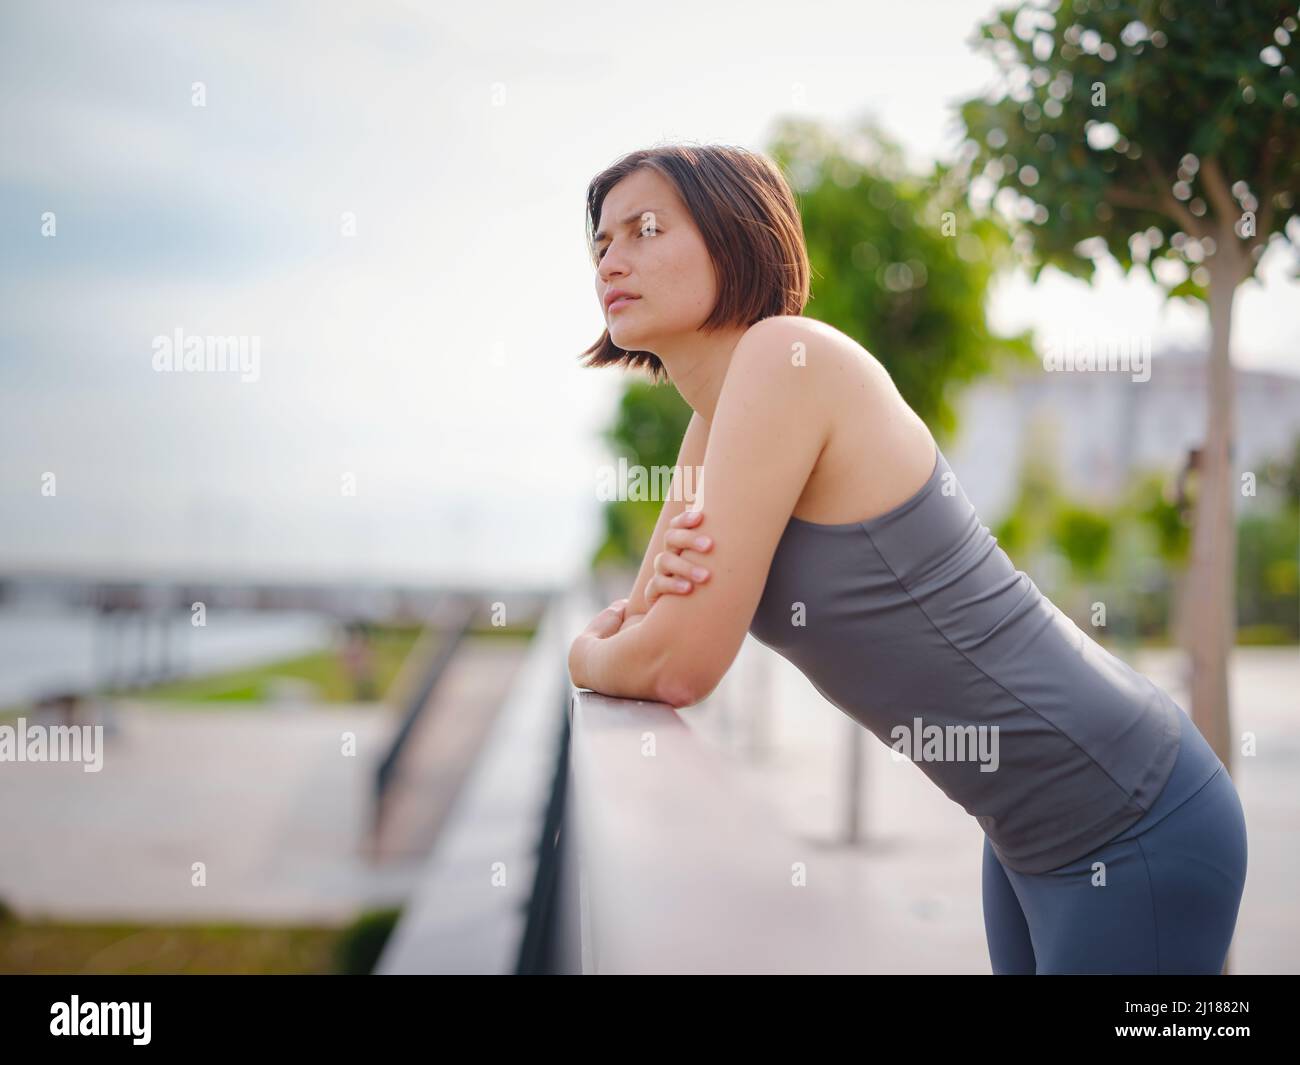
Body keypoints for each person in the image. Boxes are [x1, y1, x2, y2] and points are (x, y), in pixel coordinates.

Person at [566, 143, 1247, 975]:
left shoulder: (788, 358)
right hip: (1026, 832)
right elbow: (648, 628)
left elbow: (669, 661)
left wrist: (584, 651)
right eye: (601, 243)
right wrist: (628, 642)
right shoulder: (711, 429)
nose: (613, 259)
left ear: (734, 232)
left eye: (643, 229)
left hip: (1132, 817)